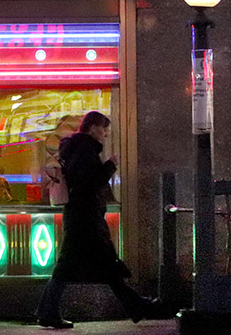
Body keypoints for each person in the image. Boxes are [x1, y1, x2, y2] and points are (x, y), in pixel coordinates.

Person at [35, 112, 155, 328]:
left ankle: (136, 306)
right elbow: (88, 184)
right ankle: (137, 306)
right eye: (104, 129)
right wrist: (109, 166)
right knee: (82, 264)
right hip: (85, 218)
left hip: (81, 216)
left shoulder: (79, 148)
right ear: (92, 128)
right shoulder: (84, 149)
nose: (106, 134)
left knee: (97, 264)